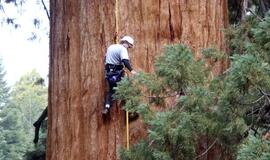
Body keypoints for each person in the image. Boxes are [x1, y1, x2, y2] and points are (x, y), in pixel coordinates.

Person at [102, 35, 137, 115]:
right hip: (116, 74)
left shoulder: (111, 47)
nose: (128, 48)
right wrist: (132, 71)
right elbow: (125, 61)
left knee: (111, 90)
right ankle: (131, 111)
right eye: (129, 46)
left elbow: (105, 57)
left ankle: (106, 107)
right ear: (126, 43)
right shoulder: (123, 49)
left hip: (109, 74)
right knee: (127, 87)